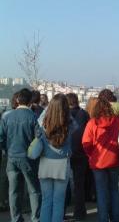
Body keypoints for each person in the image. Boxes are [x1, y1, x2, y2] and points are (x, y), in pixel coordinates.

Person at [28, 93, 77, 222]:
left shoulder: (44, 123)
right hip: (62, 165)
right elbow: (76, 126)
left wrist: (47, 109)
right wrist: (65, 112)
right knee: (59, 201)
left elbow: (39, 121)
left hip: (45, 164)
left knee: (46, 200)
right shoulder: (69, 123)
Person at [0, 88, 41, 222]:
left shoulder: (7, 116)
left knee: (14, 191)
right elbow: (39, 139)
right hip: (28, 158)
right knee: (33, 190)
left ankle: (16, 218)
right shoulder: (33, 117)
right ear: (30, 101)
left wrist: (7, 148)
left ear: (17, 100)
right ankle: (35, 218)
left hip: (11, 157)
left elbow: (1, 137)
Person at [82, 97, 119, 222]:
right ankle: (116, 218)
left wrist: (91, 155)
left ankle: (103, 218)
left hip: (98, 162)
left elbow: (86, 143)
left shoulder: (92, 123)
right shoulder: (117, 121)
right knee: (114, 190)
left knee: (101, 192)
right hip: (114, 160)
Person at [66, 92, 90, 220]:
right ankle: (79, 212)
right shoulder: (84, 114)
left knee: (63, 183)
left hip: (66, 153)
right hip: (81, 152)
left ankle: (62, 210)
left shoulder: (64, 115)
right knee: (79, 184)